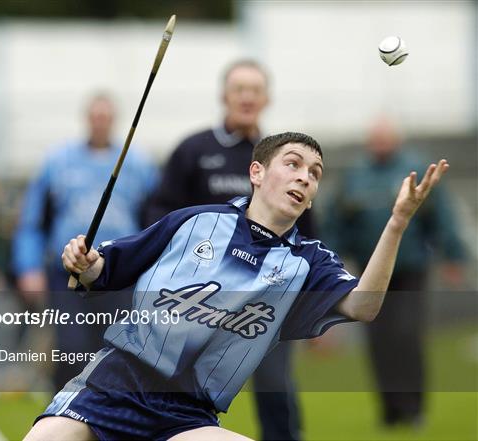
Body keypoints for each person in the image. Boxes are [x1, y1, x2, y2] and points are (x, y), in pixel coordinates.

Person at [24, 131, 450, 441]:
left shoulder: (309, 262)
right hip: (108, 389)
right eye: (294, 164)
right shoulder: (194, 221)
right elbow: (103, 269)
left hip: (186, 416)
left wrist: (397, 224)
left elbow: (364, 307)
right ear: (257, 172)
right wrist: (82, 260)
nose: (305, 177)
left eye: (315, 173)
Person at [145, 59, 314, 440]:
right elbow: (159, 211)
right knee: (178, 387)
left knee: (275, 384)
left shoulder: (285, 159)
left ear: (267, 98)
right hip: (198, 297)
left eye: (255, 90)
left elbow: (307, 228)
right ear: (225, 96)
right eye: (240, 89)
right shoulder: (193, 150)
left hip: (269, 295)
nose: (247, 97)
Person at [322, 117, 465, 427]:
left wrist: (453, 255)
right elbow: (336, 222)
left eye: (385, 137)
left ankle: (413, 408)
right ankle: (390, 410)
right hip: (369, 270)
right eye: (375, 138)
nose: (380, 143)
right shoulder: (355, 175)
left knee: (406, 335)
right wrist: (329, 259)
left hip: (409, 269)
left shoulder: (412, 169)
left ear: (396, 139)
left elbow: (441, 216)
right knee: (378, 341)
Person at [12, 92, 159, 390]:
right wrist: (28, 266)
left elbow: (153, 221)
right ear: (87, 120)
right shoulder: (58, 162)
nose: (100, 124)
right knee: (71, 351)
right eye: (95, 117)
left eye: (106, 118)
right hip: (66, 273)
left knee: (113, 354)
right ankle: (60, 418)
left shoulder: (139, 164)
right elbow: (33, 221)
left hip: (118, 275)